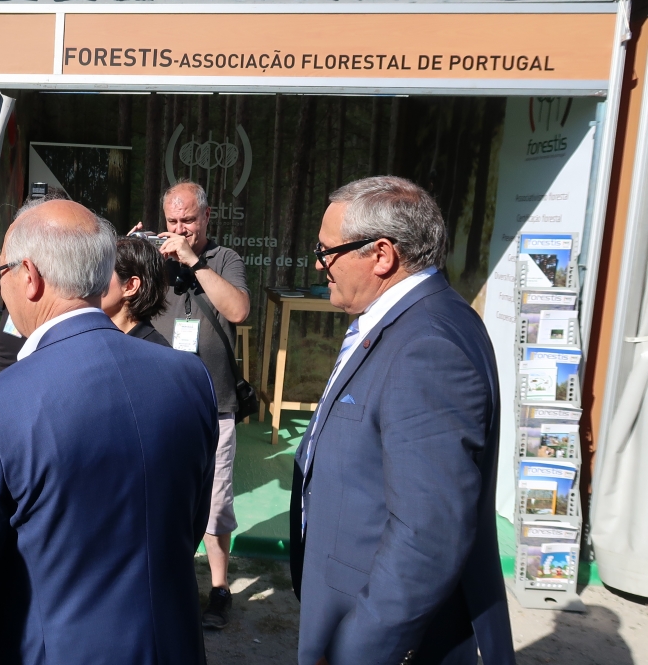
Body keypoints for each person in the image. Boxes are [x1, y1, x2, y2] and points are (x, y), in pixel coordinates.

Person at [0, 200, 219, 664]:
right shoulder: (190, 377)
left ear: (30, 277)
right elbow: (189, 524)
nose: (1, 288)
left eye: (1, 274)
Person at [290, 177, 514, 665]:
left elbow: (429, 535)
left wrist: (356, 650)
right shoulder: (407, 320)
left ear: (382, 255)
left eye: (327, 251)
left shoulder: (427, 345)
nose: (319, 263)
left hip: (377, 637)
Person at [132, 179, 250, 629]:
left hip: (215, 404)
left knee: (216, 502)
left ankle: (219, 590)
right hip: (160, 402)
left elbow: (238, 310)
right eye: (172, 221)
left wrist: (193, 260)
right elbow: (114, 300)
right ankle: (163, 582)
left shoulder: (224, 259)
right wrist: (128, 251)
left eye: (188, 221)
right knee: (159, 494)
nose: (179, 230)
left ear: (206, 216)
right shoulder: (154, 259)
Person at [0, 187, 69, 374]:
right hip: (2, 369)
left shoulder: (66, 264)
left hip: (39, 371)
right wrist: (8, 249)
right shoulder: (13, 259)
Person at [100, 236, 170, 346]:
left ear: (131, 286)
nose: (90, 282)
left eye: (101, 274)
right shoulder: (91, 339)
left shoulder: (156, 351)